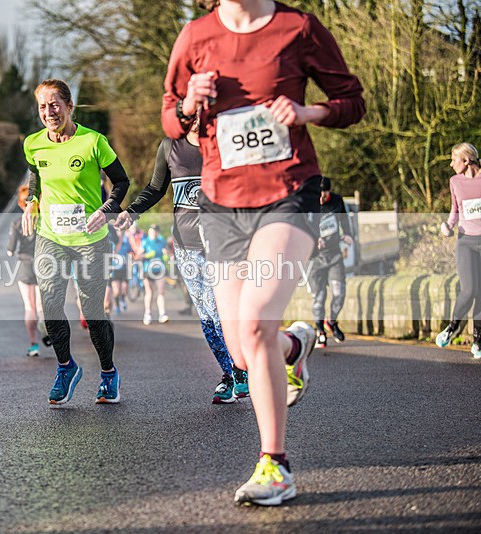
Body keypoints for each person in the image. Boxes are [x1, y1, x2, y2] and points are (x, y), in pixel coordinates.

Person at [163, 0, 364, 505]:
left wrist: (305, 112)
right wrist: (188, 104)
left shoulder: (297, 28)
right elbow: (170, 118)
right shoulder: (196, 35)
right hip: (222, 201)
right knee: (241, 352)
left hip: (290, 191)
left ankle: (275, 465)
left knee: (255, 322)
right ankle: (295, 347)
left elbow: (351, 101)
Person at [116, 116, 248, 403]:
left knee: (219, 309)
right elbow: (155, 188)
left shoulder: (223, 143)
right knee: (207, 316)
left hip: (221, 243)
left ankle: (240, 369)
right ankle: (229, 374)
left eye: (205, 111)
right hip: (186, 246)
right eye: (193, 111)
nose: (200, 117)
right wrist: (132, 212)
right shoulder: (170, 147)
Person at [22, 78, 130, 405]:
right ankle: (66, 367)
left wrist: (106, 209)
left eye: (55, 104)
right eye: (43, 106)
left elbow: (122, 182)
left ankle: (109, 374)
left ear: (69, 106)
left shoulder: (93, 142)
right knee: (50, 303)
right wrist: (32, 202)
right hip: (51, 236)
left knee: (93, 310)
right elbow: (35, 178)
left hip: (90, 239)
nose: (49, 112)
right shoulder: (33, 144)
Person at [437, 142, 481, 359]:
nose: (451, 163)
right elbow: (455, 210)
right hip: (465, 241)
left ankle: (478, 340)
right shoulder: (455, 181)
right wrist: (448, 225)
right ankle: (453, 326)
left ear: (466, 161)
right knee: (469, 289)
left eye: (454, 159)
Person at [310, 176, 354, 348]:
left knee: (339, 292)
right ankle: (320, 330)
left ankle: (332, 321)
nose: (321, 198)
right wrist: (315, 240)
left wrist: (348, 235)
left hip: (335, 255)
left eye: (324, 194)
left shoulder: (336, 201)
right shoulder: (310, 204)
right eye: (319, 194)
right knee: (319, 297)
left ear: (329, 191)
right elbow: (302, 225)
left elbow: (344, 220)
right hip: (316, 258)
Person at [8, 184, 48, 357]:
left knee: (29, 307)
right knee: (41, 306)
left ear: (19, 203)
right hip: (43, 264)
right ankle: (46, 330)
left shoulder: (17, 223)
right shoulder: (43, 220)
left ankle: (33, 344)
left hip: (25, 265)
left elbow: (10, 250)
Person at [135, 224, 170, 325]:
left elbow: (166, 253)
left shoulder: (161, 241)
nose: (153, 232)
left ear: (158, 232)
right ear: (149, 231)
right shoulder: (145, 242)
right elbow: (138, 256)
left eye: (155, 231)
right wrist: (147, 255)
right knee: (149, 292)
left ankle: (162, 314)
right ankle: (147, 314)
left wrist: (165, 256)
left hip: (160, 269)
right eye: (152, 231)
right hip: (148, 269)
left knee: (161, 291)